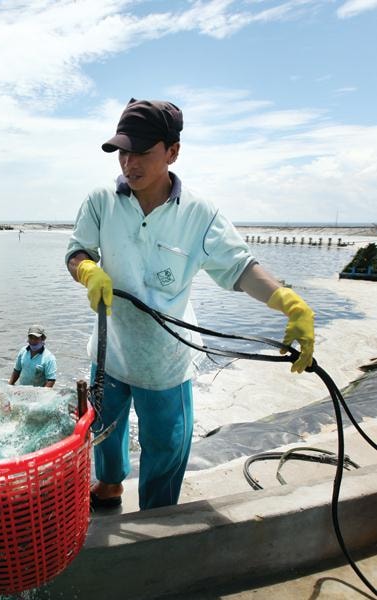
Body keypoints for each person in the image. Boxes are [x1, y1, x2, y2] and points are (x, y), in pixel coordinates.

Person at [66, 98, 315, 511]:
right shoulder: (101, 201)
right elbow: (77, 251)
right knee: (105, 428)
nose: (130, 163)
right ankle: (109, 485)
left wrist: (289, 303)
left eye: (142, 152)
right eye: (123, 152)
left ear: (172, 152)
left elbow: (240, 268)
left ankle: (157, 519)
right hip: (110, 350)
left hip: (166, 358)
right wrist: (88, 270)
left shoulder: (200, 213)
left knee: (166, 444)